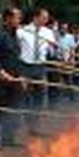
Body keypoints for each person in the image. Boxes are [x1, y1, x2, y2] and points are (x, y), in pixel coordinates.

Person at [0, 8, 23, 149]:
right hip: (0, 80)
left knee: (14, 108)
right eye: (16, 17)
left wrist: (20, 77)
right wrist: (1, 72)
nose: (19, 20)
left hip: (14, 79)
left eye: (19, 18)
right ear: (7, 19)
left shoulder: (15, 36)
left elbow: (16, 59)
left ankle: (8, 138)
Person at [17, 7, 56, 136]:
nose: (46, 20)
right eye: (44, 17)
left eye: (47, 18)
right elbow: (15, 45)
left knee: (40, 95)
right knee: (24, 94)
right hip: (25, 66)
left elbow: (53, 49)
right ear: (35, 17)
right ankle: (22, 121)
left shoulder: (48, 32)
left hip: (40, 66)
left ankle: (34, 125)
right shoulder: (23, 30)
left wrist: (56, 47)